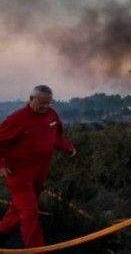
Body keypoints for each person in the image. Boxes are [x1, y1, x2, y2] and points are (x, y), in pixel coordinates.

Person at [0, 85, 76, 249]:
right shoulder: (17, 118)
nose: (45, 107)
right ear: (31, 99)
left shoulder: (52, 115)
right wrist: (2, 164)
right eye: (42, 103)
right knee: (29, 214)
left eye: (49, 103)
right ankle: (35, 250)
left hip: (39, 174)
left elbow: (55, 137)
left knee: (17, 212)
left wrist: (68, 148)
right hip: (18, 175)